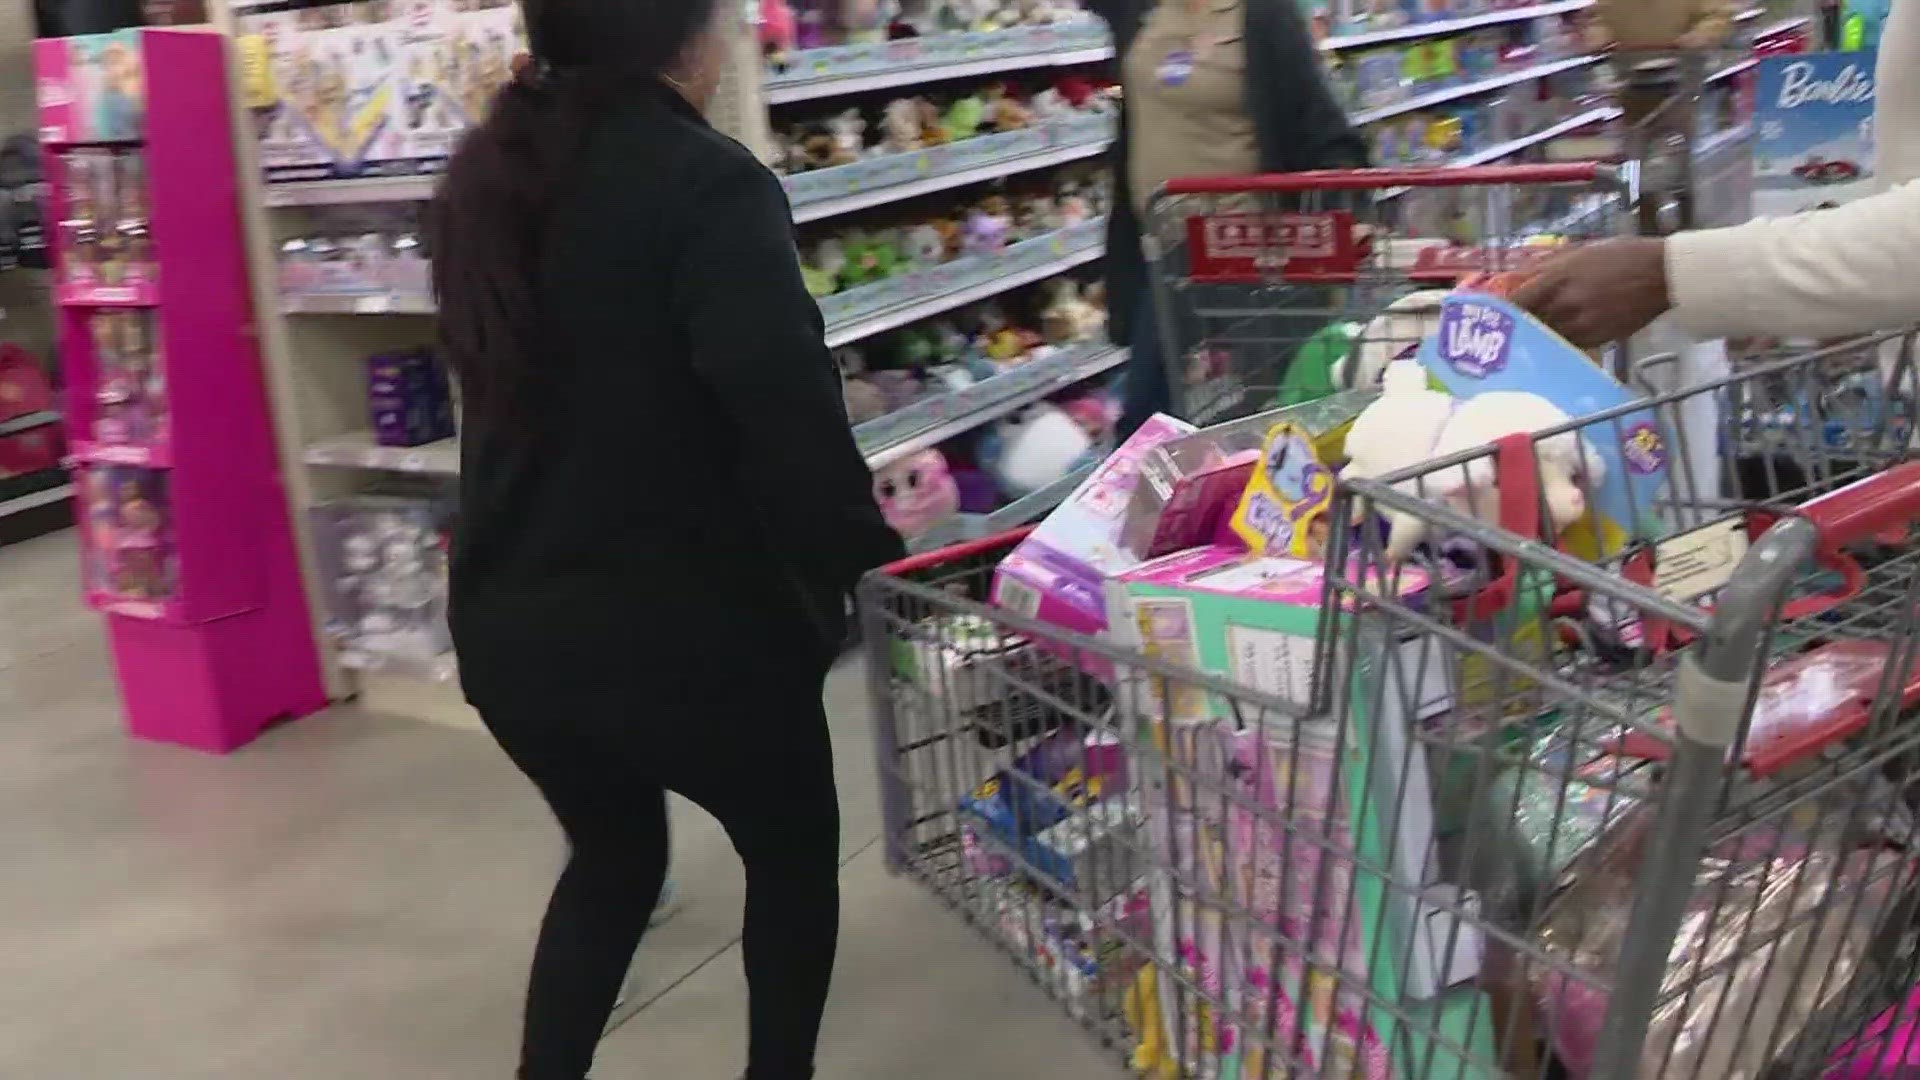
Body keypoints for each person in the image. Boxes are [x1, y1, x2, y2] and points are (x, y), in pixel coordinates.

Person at [425, 0, 906, 1072]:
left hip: (516, 634)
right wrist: (876, 571)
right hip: (690, 638)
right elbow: (785, 418)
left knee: (613, 856)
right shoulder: (707, 182)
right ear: (682, 42)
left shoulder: (484, 177)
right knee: (789, 858)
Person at [1513, 5, 1919, 344]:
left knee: (1672, 157)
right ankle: (1652, 218)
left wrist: (1678, 272)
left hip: (1677, 79)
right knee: (1643, 161)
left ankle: (1673, 219)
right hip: (1632, 79)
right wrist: (1820, 302)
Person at [1088, 0, 1369, 437]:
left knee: (1259, 417)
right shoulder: (1143, 10)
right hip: (1164, 256)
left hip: (1247, 258)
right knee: (1147, 422)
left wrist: (1344, 215)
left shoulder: (1262, 14)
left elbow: (1321, 128)